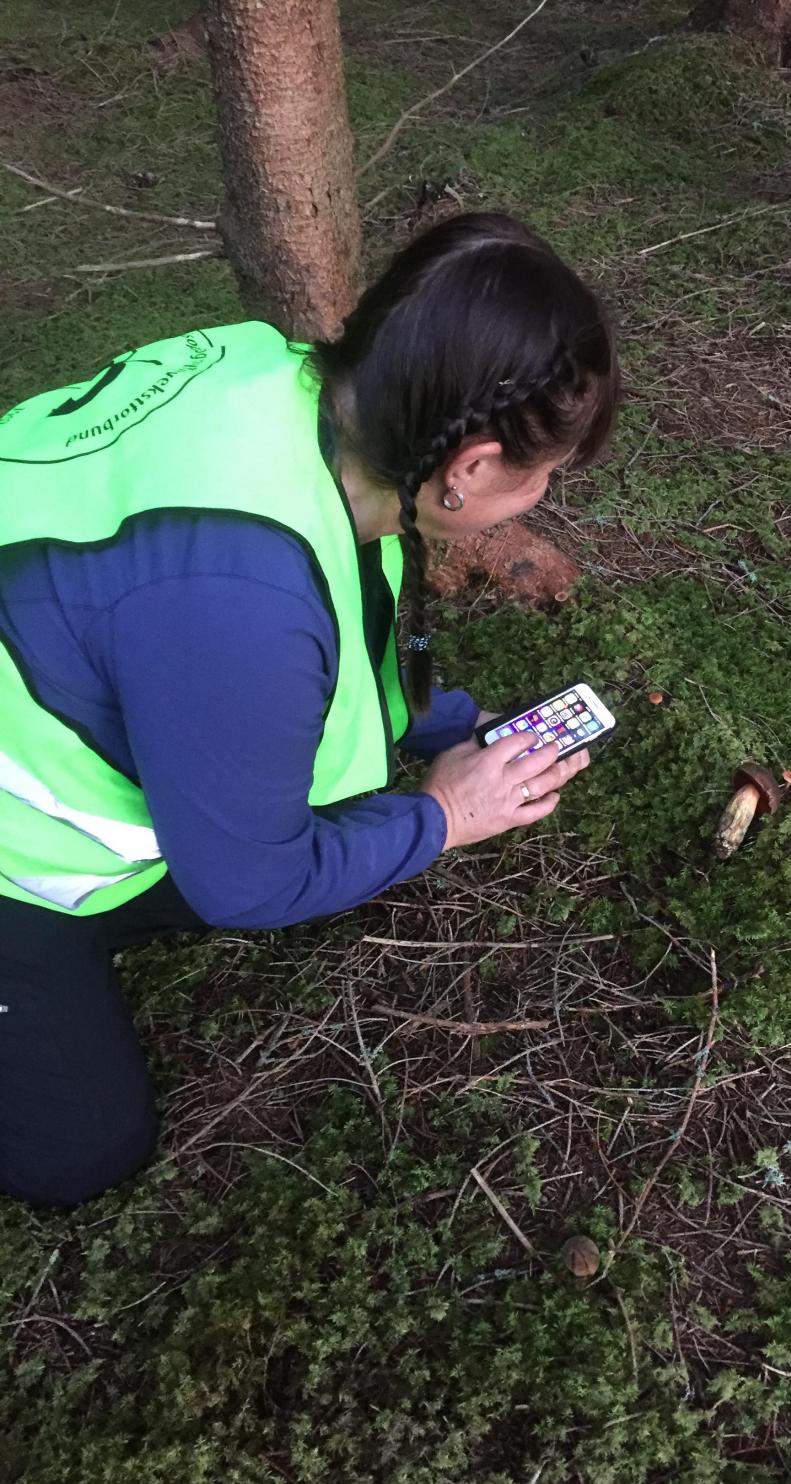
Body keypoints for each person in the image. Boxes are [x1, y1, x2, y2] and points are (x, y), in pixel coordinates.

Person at [0, 212, 620, 1208]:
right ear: (467, 468)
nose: (540, 496)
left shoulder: (287, 386)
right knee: (82, 1152)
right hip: (13, 852)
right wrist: (444, 815)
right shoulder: (241, 600)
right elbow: (247, 883)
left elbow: (344, 609)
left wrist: (443, 723)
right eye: (541, 475)